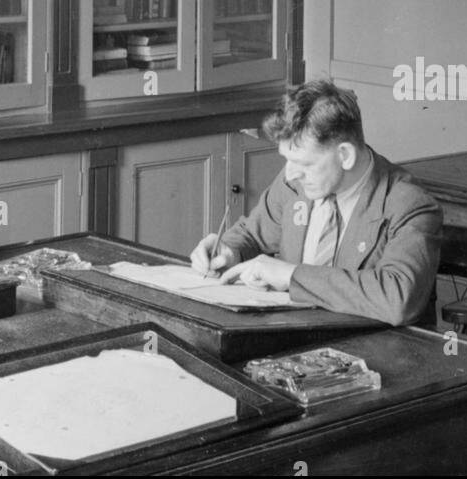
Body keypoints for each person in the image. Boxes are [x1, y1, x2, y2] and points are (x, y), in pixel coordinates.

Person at [189, 78, 441, 322]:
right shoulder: (296, 183)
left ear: (345, 155)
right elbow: (252, 235)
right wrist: (228, 251)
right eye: (287, 159)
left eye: (303, 163)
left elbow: (398, 299)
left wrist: (291, 275)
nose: (289, 173)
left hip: (378, 351)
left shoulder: (409, 205)